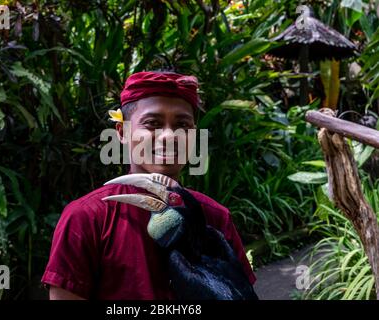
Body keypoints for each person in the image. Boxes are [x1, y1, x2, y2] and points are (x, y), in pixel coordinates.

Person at [41, 71, 256, 299]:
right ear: (123, 132)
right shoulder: (87, 217)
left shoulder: (215, 217)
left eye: (182, 125)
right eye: (152, 123)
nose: (168, 136)